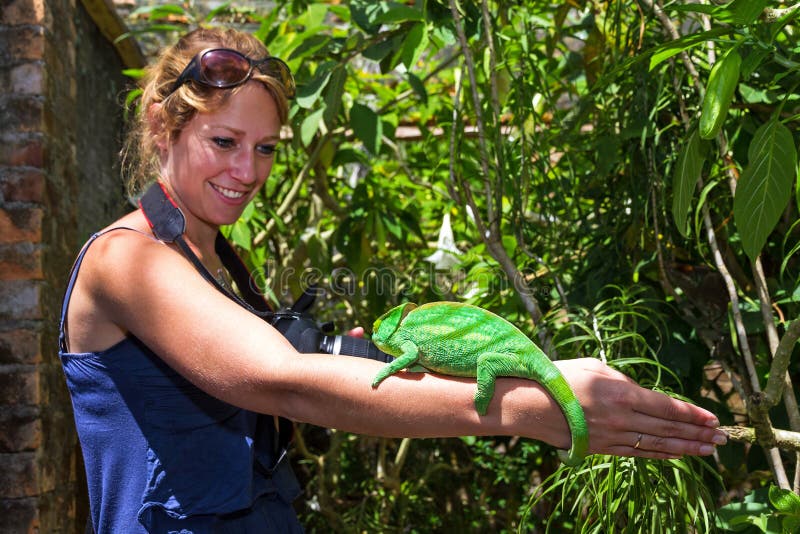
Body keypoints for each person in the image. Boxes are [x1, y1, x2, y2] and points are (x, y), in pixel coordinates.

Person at [58, 26, 727, 533]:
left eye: (265, 148)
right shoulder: (129, 258)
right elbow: (278, 379)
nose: (249, 170)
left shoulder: (214, 261)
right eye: (224, 142)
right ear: (161, 127)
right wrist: (528, 408)